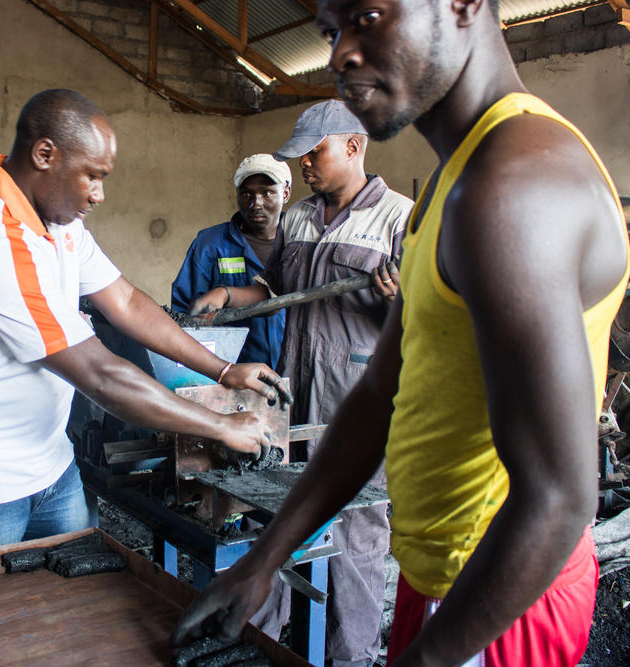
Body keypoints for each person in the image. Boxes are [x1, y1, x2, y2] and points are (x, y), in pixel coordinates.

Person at [174, 0, 630, 664]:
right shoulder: (454, 184)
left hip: (504, 596)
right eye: (333, 31)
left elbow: (559, 498)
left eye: (367, 15)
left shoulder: (511, 188)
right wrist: (263, 561)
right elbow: (378, 395)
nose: (339, 55)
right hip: (441, 575)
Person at [0, 89, 291, 562]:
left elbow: (124, 300)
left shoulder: (59, 221)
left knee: (75, 605)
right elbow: (100, 374)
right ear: (45, 154)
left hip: (48, 462)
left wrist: (224, 371)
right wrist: (220, 426)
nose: (99, 195)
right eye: (93, 176)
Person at [191, 99, 413, 665]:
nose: (306, 166)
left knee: (356, 533)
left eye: (315, 153)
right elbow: (272, 290)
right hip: (294, 395)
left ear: (354, 146)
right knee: (278, 511)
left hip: (356, 401)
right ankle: (264, 642)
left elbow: (421, 327)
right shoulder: (298, 219)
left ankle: (349, 654)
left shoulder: (398, 219)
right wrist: (229, 296)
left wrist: (395, 301)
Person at [171, 154, 292, 368]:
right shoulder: (210, 244)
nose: (256, 203)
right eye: (247, 194)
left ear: (286, 192)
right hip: (231, 372)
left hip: (293, 368)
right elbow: (183, 314)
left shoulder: (299, 244)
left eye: (267, 192)